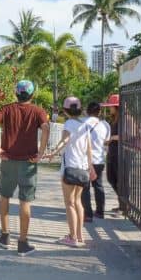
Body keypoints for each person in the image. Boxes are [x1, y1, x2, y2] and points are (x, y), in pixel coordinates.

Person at [0, 80, 50, 256]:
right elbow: (46, 128)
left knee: (4, 196)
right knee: (25, 201)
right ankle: (22, 243)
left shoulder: (7, 109)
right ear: (32, 94)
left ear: (16, 93)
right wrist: (41, 152)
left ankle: (5, 236)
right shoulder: (38, 111)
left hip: (8, 160)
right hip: (29, 163)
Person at [44, 96, 92, 248]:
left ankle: (72, 237)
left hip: (70, 168)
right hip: (83, 168)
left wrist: (53, 153)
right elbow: (89, 148)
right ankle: (80, 235)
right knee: (78, 202)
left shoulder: (69, 124)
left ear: (65, 110)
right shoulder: (85, 124)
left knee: (69, 203)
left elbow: (65, 141)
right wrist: (90, 168)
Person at [81, 102, 111, 221]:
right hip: (99, 159)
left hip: (85, 160)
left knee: (85, 187)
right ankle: (100, 211)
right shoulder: (105, 125)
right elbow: (107, 141)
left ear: (87, 111)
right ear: (99, 112)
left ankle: (88, 214)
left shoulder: (83, 122)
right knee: (98, 185)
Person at [101, 94, 120, 210]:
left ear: (116, 107)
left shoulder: (125, 118)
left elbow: (128, 136)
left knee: (119, 180)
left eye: (111, 106)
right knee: (111, 178)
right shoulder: (113, 119)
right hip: (112, 153)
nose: (109, 108)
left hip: (121, 155)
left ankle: (123, 205)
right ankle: (122, 203)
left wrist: (112, 138)